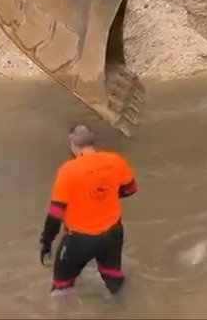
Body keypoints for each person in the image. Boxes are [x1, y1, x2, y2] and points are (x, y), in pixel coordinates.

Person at [39, 125, 138, 296]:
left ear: (72, 145)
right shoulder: (115, 160)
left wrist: (46, 243)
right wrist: (106, 195)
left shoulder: (68, 171)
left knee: (61, 289)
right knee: (114, 280)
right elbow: (130, 189)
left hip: (79, 240)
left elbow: (55, 214)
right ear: (93, 142)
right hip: (113, 233)